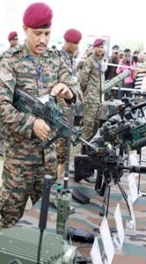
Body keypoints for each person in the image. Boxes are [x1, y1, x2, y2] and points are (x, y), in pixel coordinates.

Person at [0, 2, 81, 229]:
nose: (43, 40)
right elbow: (1, 106)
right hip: (19, 161)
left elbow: (77, 92)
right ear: (25, 29)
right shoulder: (11, 60)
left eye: (47, 33)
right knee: (10, 221)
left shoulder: (56, 58)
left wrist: (69, 93)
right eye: (37, 34)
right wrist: (30, 123)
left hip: (48, 159)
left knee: (47, 223)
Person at [56, 28, 82, 178]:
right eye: (75, 44)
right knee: (60, 149)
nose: (77, 46)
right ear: (67, 42)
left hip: (69, 109)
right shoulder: (59, 59)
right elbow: (70, 84)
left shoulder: (72, 60)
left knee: (65, 147)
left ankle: (59, 178)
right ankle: (54, 182)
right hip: (60, 110)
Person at [80, 38, 105, 141]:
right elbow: (83, 79)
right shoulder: (89, 61)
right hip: (90, 99)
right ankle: (83, 149)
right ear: (94, 48)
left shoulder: (100, 61)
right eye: (98, 47)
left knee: (96, 125)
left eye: (102, 47)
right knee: (88, 126)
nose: (100, 49)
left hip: (98, 99)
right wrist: (86, 93)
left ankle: (89, 147)